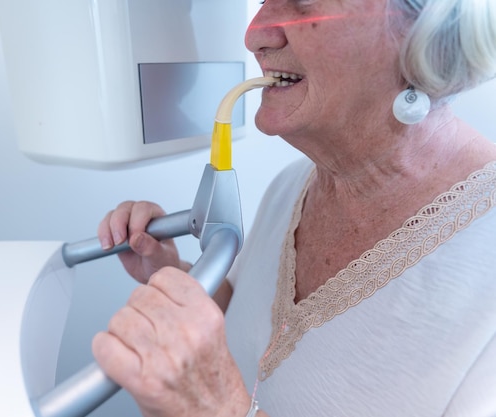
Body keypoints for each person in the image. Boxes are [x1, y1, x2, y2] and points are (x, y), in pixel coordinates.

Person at [93, 0, 496, 416]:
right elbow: (250, 321)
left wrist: (219, 409)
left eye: (303, 4)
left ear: (428, 34)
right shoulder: (291, 185)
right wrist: (173, 276)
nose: (254, 35)